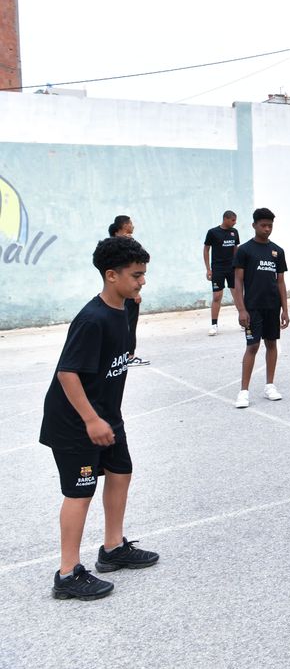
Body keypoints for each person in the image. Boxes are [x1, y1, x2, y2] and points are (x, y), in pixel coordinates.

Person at [41, 235, 159, 601]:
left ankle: (112, 549)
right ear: (111, 275)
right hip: (76, 421)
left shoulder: (125, 308)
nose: (142, 281)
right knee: (80, 492)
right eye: (136, 275)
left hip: (107, 414)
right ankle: (67, 573)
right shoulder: (91, 319)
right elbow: (67, 373)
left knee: (121, 472)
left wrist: (104, 417)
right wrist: (92, 420)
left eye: (143, 274)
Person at [232, 208, 289, 409]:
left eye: (270, 226)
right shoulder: (245, 250)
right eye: (263, 225)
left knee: (271, 344)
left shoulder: (277, 251)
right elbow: (238, 282)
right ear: (254, 225)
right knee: (253, 346)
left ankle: (269, 386)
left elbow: (281, 282)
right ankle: (243, 392)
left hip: (272, 307)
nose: (267, 229)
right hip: (252, 308)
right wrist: (241, 309)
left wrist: (285, 310)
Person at [108, 216, 148, 367]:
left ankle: (121, 356)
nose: (133, 226)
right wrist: (136, 293)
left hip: (116, 291)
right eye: (130, 223)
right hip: (126, 292)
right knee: (129, 323)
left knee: (121, 323)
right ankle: (129, 356)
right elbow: (131, 270)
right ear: (124, 225)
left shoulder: (110, 244)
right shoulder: (126, 244)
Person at [203, 210, 240, 336]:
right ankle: (214, 325)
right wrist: (208, 269)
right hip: (218, 269)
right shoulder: (212, 232)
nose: (235, 223)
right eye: (233, 220)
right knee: (217, 297)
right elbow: (206, 249)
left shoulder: (234, 232)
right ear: (226, 219)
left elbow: (236, 249)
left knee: (237, 295)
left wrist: (238, 266)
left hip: (232, 269)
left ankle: (243, 321)